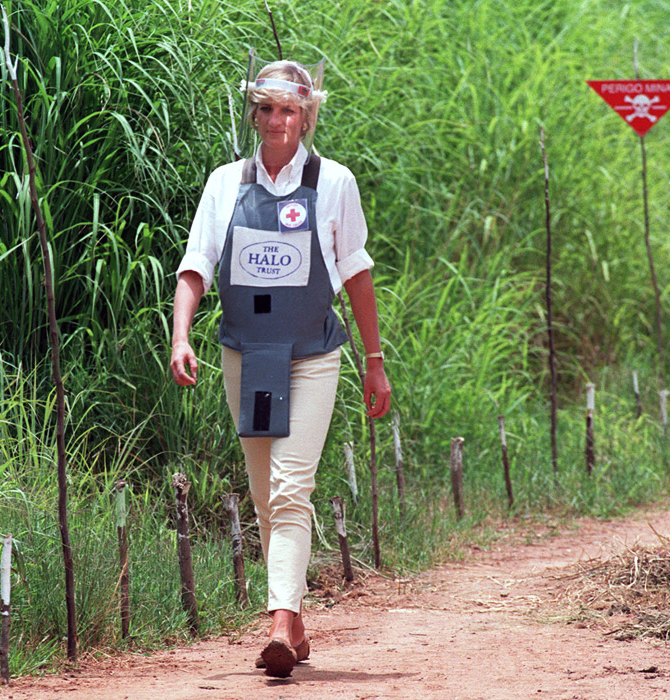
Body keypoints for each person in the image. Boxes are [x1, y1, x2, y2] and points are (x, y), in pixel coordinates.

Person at [169, 58, 391, 678]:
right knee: (267, 495)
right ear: (254, 112)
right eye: (266, 109)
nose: (276, 121)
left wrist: (374, 361)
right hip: (247, 355)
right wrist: (180, 334)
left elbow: (357, 275)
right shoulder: (225, 183)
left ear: (307, 115)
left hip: (313, 356)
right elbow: (196, 264)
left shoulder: (334, 183)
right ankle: (294, 619)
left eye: (288, 109)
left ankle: (273, 623)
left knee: (293, 488)